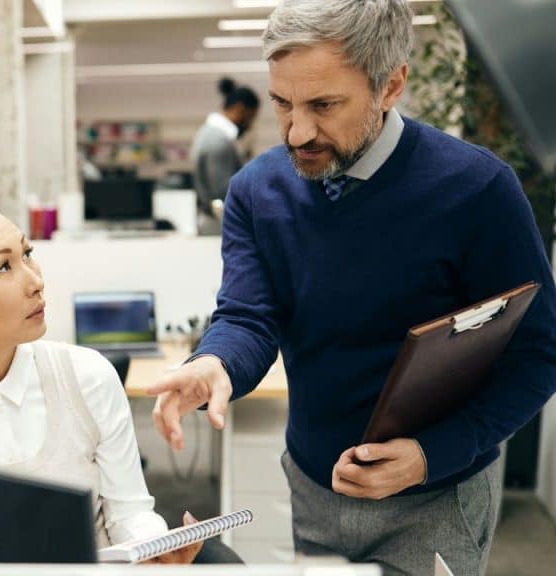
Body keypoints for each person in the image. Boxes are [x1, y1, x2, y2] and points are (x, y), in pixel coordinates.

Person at [148, 1, 556, 575]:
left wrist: (429, 455)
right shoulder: (255, 191)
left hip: (435, 497)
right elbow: (249, 316)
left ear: (391, 86)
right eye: (282, 103)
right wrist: (214, 364)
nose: (297, 132)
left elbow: (539, 353)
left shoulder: (477, 189)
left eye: (323, 105)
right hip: (315, 488)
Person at [0, 190, 239, 564]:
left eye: (27, 254)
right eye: (4, 266)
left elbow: (129, 513)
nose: (35, 280)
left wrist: (154, 547)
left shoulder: (87, 376)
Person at [189, 77, 260, 235]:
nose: (250, 124)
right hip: (219, 225)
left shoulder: (207, 132)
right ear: (240, 109)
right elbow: (224, 191)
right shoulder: (218, 141)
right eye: (250, 117)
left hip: (213, 222)